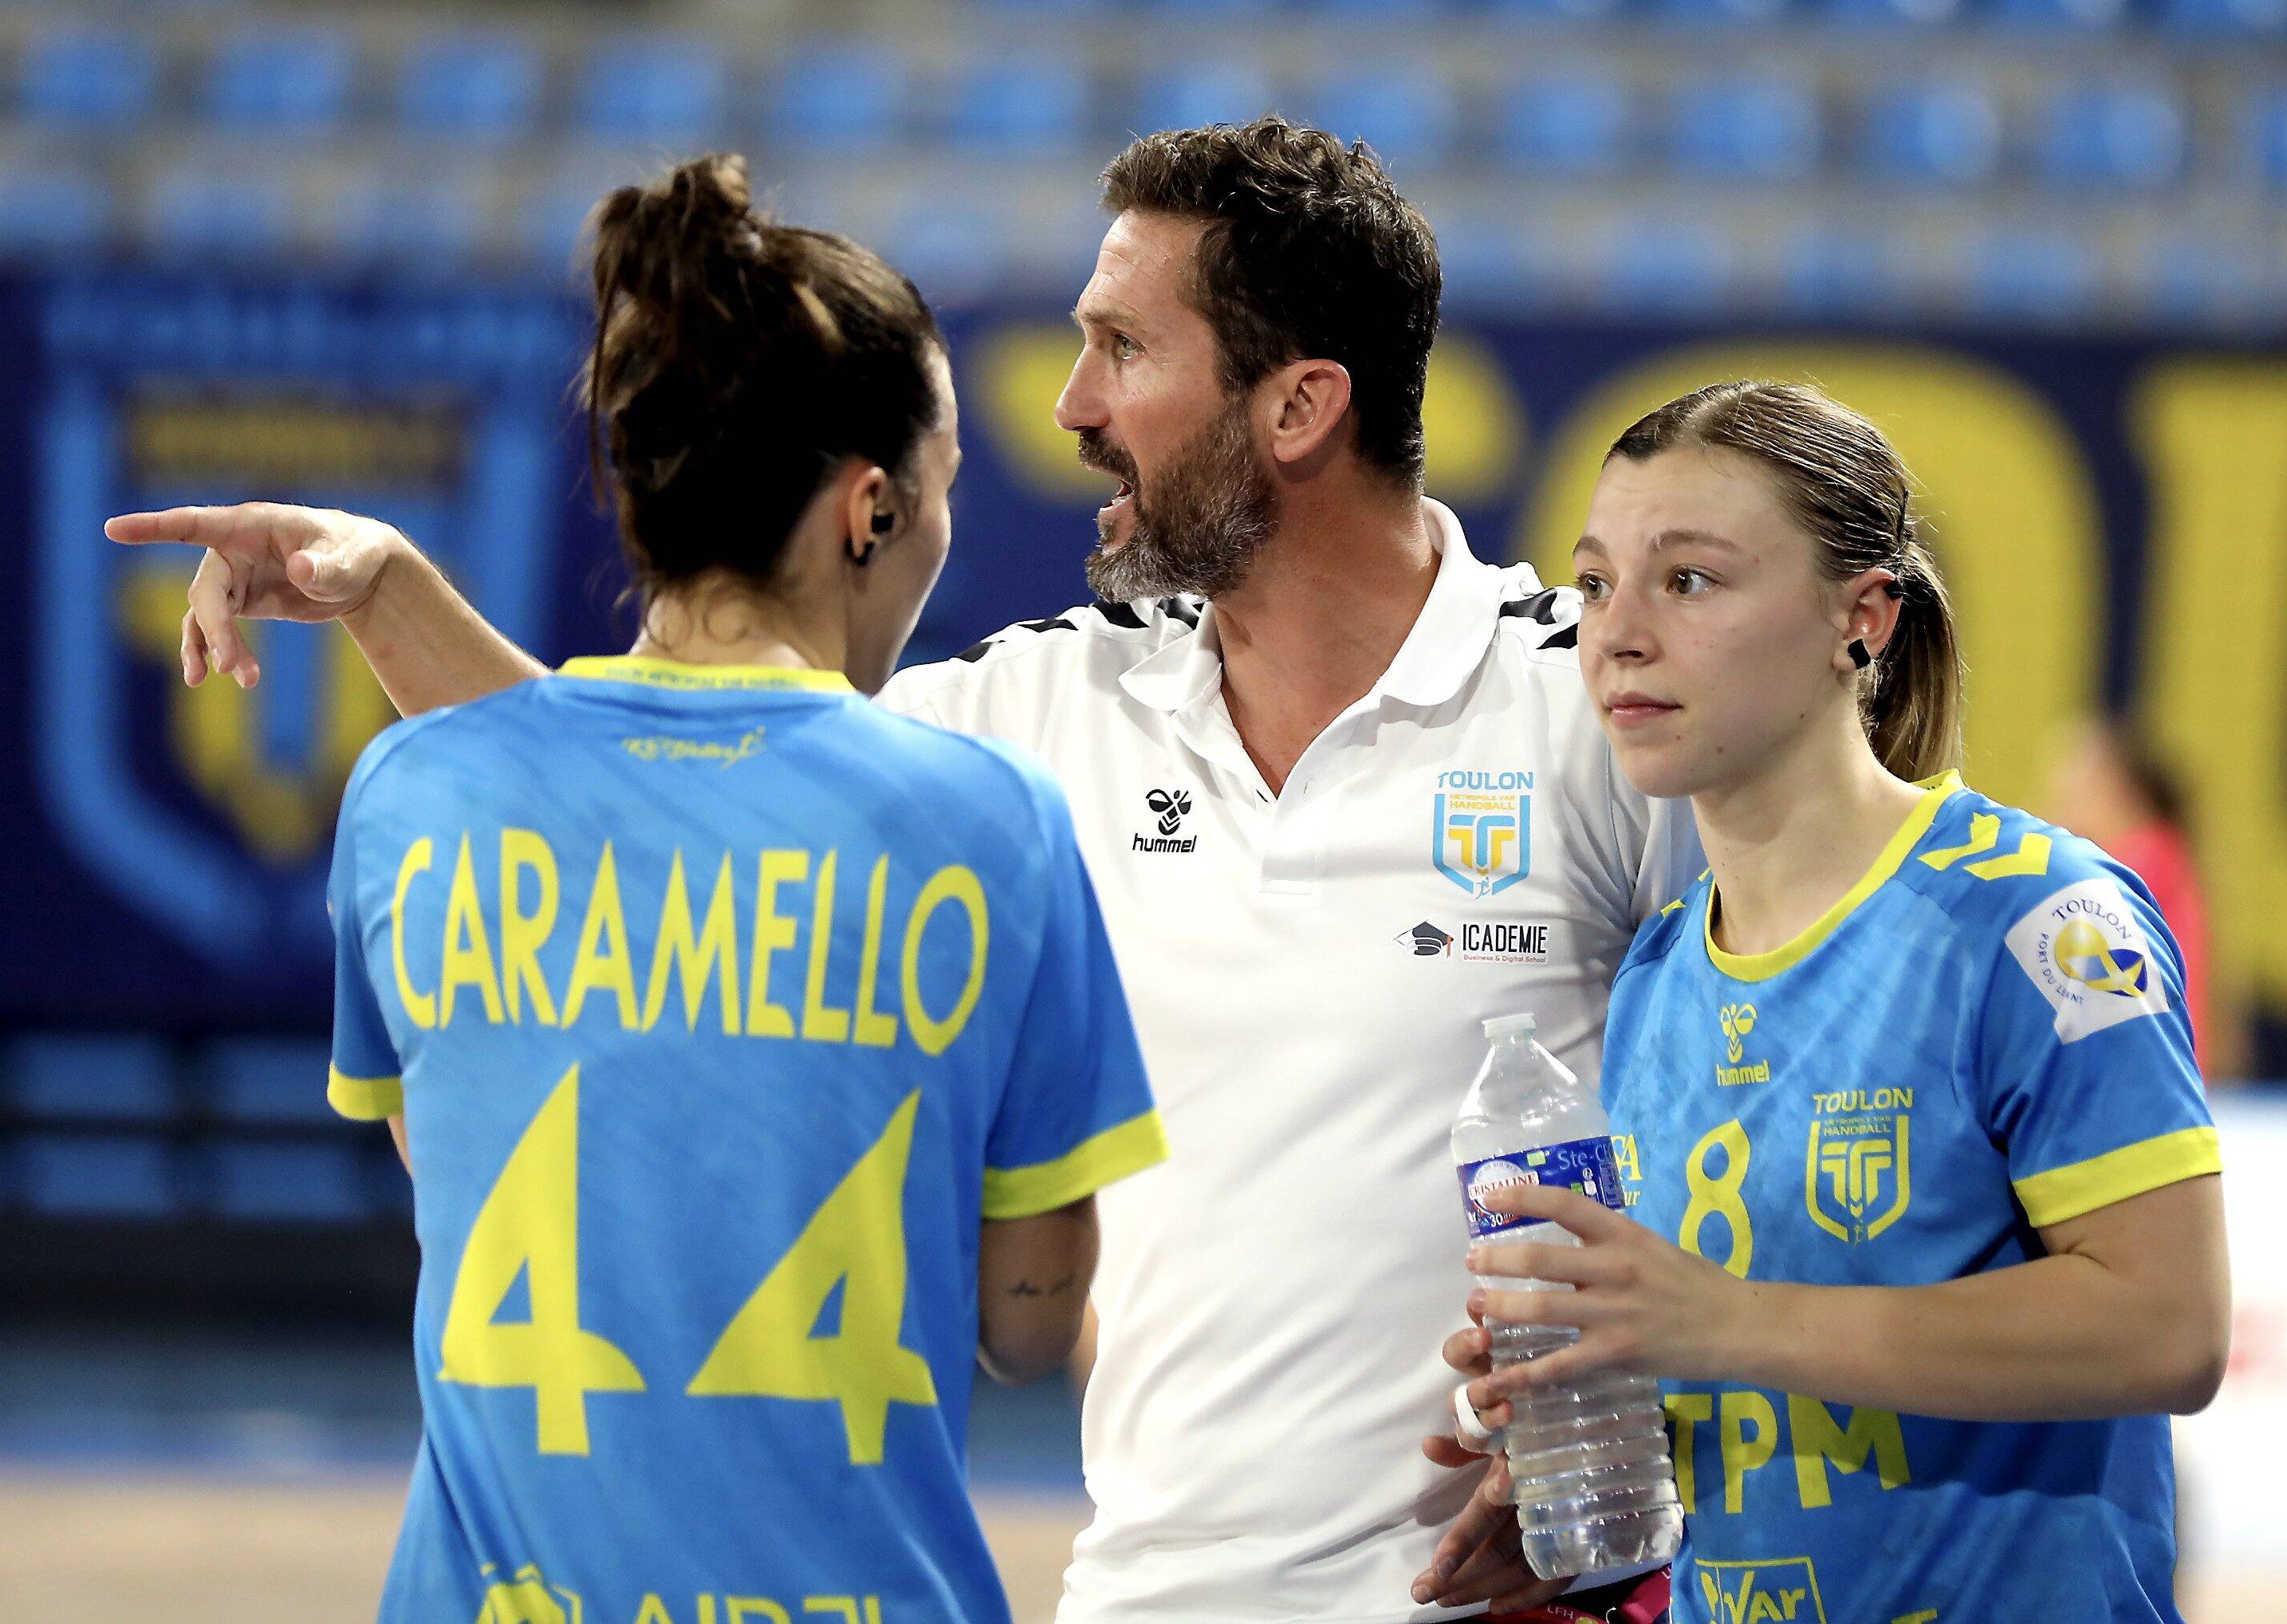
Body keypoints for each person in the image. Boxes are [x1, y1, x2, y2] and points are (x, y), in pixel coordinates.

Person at [120, 120, 1694, 1622]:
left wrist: (1650, 1423)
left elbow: (1801, 1078)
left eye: (1123, 348)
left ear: (1297, 409)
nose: (1069, 403)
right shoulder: (1034, 721)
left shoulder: (1587, 702)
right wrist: (390, 594)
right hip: (1140, 1595)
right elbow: (640, 791)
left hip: (1524, 1597)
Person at [114, 155, 1167, 1624]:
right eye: (941, 489)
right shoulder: (993, 824)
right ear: (868, 509)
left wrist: (398, 591)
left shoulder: (409, 798)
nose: (940, 528)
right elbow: (1027, 1320)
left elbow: (469, 1156)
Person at [1423, 381, 2230, 1622]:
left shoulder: (2039, 920)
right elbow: (1740, 1378)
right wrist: (1591, 1438)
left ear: (1860, 618)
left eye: (1687, 579)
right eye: (1594, 583)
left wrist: (1718, 1322)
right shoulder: (1657, 974)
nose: (1615, 633)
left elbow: (2166, 1328)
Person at [2043, 715, 2242, 1083]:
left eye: (2074, 786)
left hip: (2154, 1074)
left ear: (2115, 789)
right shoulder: (2158, 854)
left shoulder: (2145, 858)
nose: (2057, 800)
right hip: (2161, 1069)